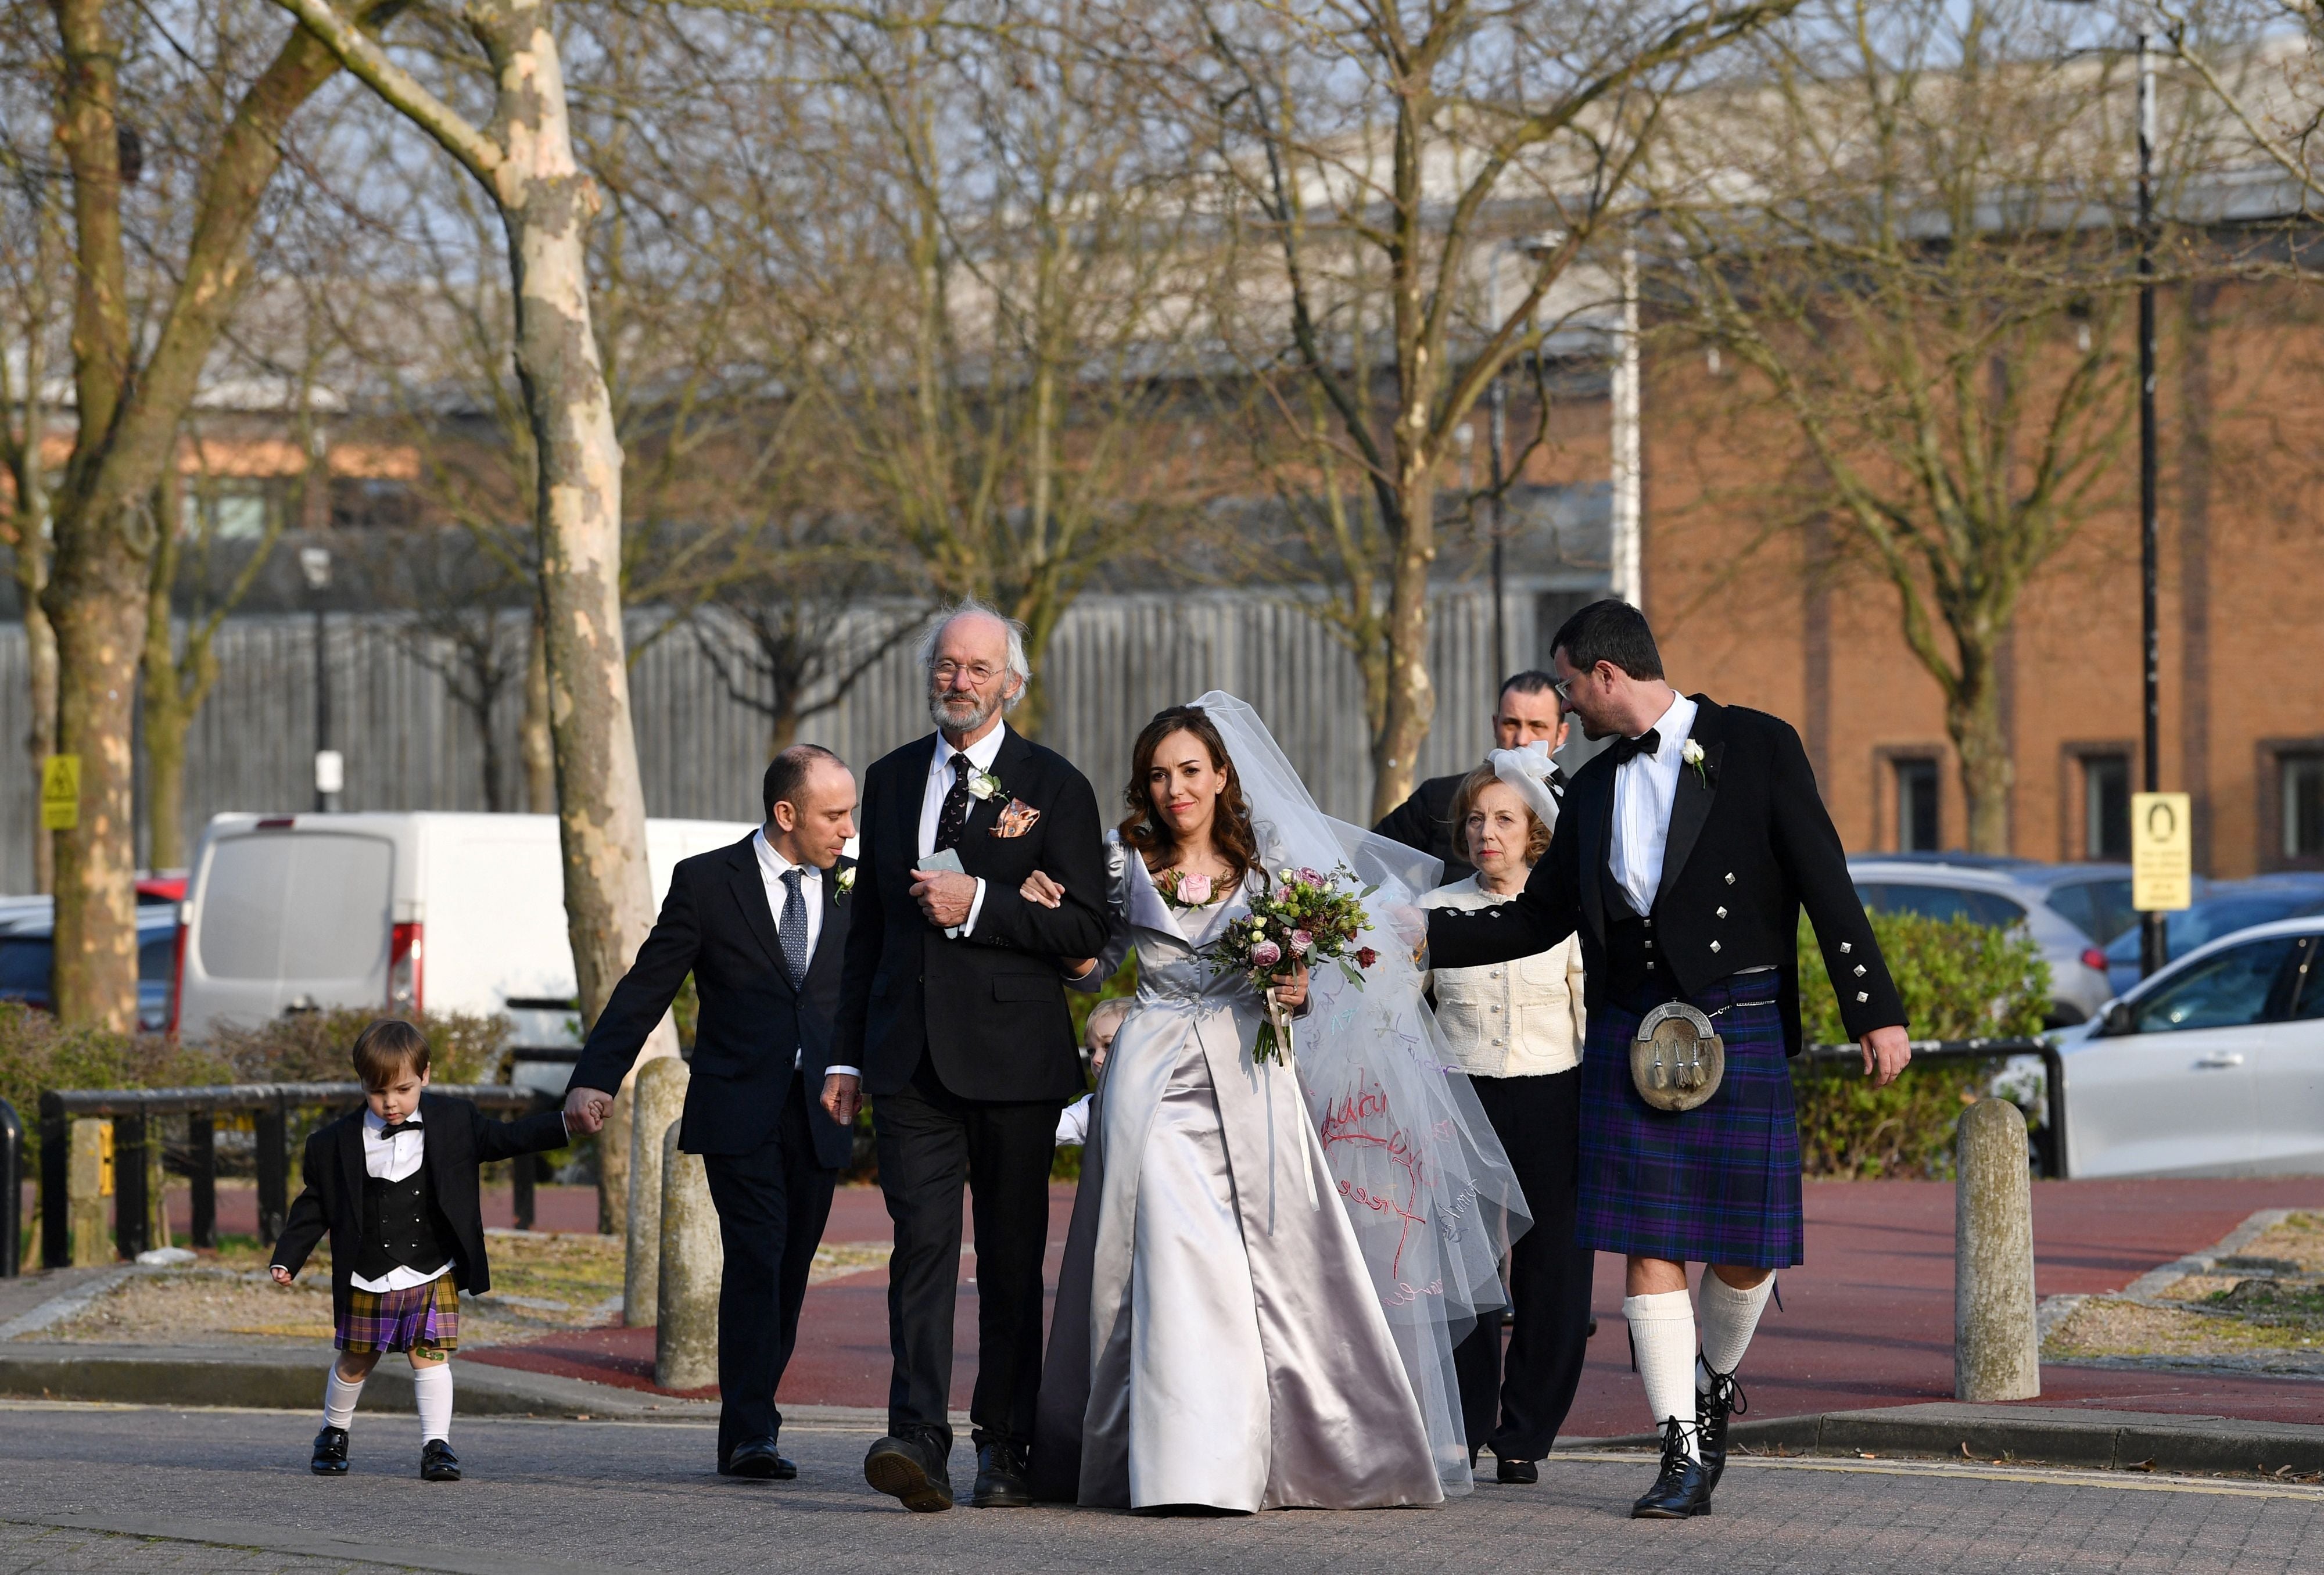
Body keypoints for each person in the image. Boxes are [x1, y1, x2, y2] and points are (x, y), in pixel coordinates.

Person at [1420, 600, 1911, 1519]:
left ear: (1607, 675)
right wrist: (1422, 933)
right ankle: (1680, 1450)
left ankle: (1715, 1375)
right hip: (1633, 1030)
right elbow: (1537, 917)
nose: (1564, 702)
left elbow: (1823, 878)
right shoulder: (1596, 790)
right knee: (1650, 1247)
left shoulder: (1757, 745)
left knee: (1747, 1252)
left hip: (1737, 1021)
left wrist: (1873, 1008)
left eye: (1568, 684)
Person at [1025, 696, 1526, 1512]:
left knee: (1244, 1262)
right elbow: (1090, 966)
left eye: (1190, 770)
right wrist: (1053, 920)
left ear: (1223, 774)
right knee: (1163, 1254)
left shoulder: (1272, 874)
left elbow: (1310, 987)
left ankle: (1247, 1455)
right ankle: (1175, 1463)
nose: (1174, 788)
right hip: (1149, 1078)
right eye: (1158, 774)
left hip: (1248, 1075)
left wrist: (1293, 988)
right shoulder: (1123, 863)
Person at [833, 600, 1110, 1513]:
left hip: (1016, 1062)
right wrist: (844, 1056)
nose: (959, 681)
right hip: (908, 1061)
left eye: (978, 668)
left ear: (1013, 683)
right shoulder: (888, 776)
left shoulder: (1056, 784)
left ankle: (1008, 1442)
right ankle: (917, 1437)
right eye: (947, 665)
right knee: (919, 1249)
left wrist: (982, 902)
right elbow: (865, 927)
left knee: (1009, 1258)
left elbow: (1085, 928)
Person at [564, 745, 861, 1480]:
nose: (848, 829)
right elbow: (646, 987)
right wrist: (593, 1077)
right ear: (785, 814)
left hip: (822, 1110)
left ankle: (743, 1427)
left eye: (851, 812)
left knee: (791, 1269)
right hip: (739, 1109)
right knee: (757, 1256)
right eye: (834, 814)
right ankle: (755, 1428)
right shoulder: (706, 882)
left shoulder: (859, 885)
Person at [271, 1018, 572, 1481]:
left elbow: (507, 1138)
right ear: (362, 1084)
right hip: (368, 1273)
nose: (391, 1102)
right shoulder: (333, 1143)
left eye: (403, 1089)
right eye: (377, 1091)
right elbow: (314, 1205)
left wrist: (567, 1122)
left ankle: (437, 1445)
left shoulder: (455, 1121)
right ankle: (333, 1432)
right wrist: (287, 1257)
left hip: (433, 1269)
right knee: (356, 1359)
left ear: (426, 1075)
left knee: (430, 1355)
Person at [1420, 761, 1598, 1485]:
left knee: (1555, 1272)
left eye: (1503, 819)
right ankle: (1462, 1427)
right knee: (1462, 1270)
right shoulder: (1431, 907)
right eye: (1474, 819)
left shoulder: (1564, 912)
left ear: (1535, 834)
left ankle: (1524, 1433)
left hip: (1555, 1098)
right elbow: (1401, 1009)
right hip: (1461, 1098)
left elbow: (1586, 1014)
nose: (1485, 832)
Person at [1373, 671, 1568, 883]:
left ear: (1561, 734)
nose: (1522, 739)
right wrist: (1404, 906)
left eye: (1537, 726)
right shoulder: (1439, 798)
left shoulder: (1579, 806)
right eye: (1511, 724)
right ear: (1495, 725)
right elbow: (1370, 857)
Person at [1055, 997, 1132, 1149]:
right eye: (1091, 1051)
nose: (1096, 1059)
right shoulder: (1092, 1109)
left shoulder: (1178, 1098)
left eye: (1108, 1045)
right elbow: (1046, 1129)